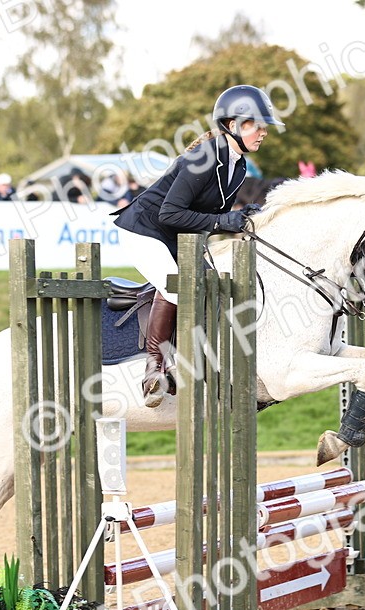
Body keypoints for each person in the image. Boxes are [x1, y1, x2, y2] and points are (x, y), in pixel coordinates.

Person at [112, 84, 280, 407]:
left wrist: (240, 217)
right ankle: (154, 369)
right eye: (256, 125)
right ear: (232, 126)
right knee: (178, 288)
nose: (263, 133)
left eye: (264, 126)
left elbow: (208, 216)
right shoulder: (202, 159)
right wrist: (223, 223)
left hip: (177, 238)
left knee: (212, 289)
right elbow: (170, 212)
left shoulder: (239, 166)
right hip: (144, 231)